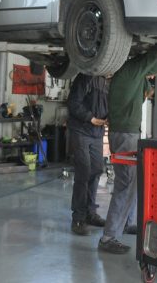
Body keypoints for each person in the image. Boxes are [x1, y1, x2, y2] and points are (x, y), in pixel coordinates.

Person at [98, 45, 157, 254]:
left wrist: (149, 77)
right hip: (125, 135)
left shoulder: (130, 73)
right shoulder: (131, 69)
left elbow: (148, 87)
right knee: (125, 184)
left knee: (133, 182)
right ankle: (108, 237)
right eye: (150, 73)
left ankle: (128, 222)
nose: (152, 76)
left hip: (126, 133)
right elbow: (155, 60)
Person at [67, 74, 110, 236]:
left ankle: (90, 213)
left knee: (97, 170)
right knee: (83, 172)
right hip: (81, 131)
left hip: (97, 133)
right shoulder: (85, 77)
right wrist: (90, 118)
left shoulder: (108, 83)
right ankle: (78, 218)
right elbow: (73, 103)